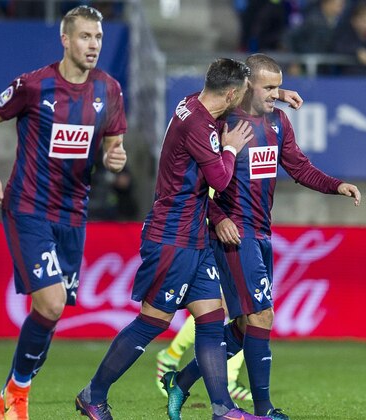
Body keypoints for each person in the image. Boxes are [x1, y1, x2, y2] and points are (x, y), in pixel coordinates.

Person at [162, 53, 361, 420]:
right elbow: (201, 179)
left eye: (277, 86)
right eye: (268, 87)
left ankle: (182, 380)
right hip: (234, 233)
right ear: (246, 86)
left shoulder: (279, 123)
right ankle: (264, 408)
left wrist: (337, 185)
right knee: (262, 317)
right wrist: (217, 216)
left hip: (263, 231)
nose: (275, 94)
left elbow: (300, 168)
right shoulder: (223, 122)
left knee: (242, 326)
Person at [74, 57, 267, 420]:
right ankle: (93, 394)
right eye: (241, 94)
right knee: (153, 321)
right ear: (229, 93)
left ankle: (222, 409)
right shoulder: (198, 125)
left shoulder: (195, 104)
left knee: (211, 319)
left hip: (194, 233)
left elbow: (227, 120)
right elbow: (221, 180)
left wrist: (275, 95)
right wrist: (231, 149)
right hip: (172, 235)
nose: (241, 101)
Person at [0, 6, 127, 420]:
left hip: (73, 215)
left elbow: (113, 143)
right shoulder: (34, 85)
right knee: (52, 304)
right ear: (65, 39)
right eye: (84, 37)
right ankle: (17, 397)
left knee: (50, 314)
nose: (93, 44)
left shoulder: (109, 89)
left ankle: (7, 398)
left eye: (97, 37)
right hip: (28, 206)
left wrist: (115, 156)